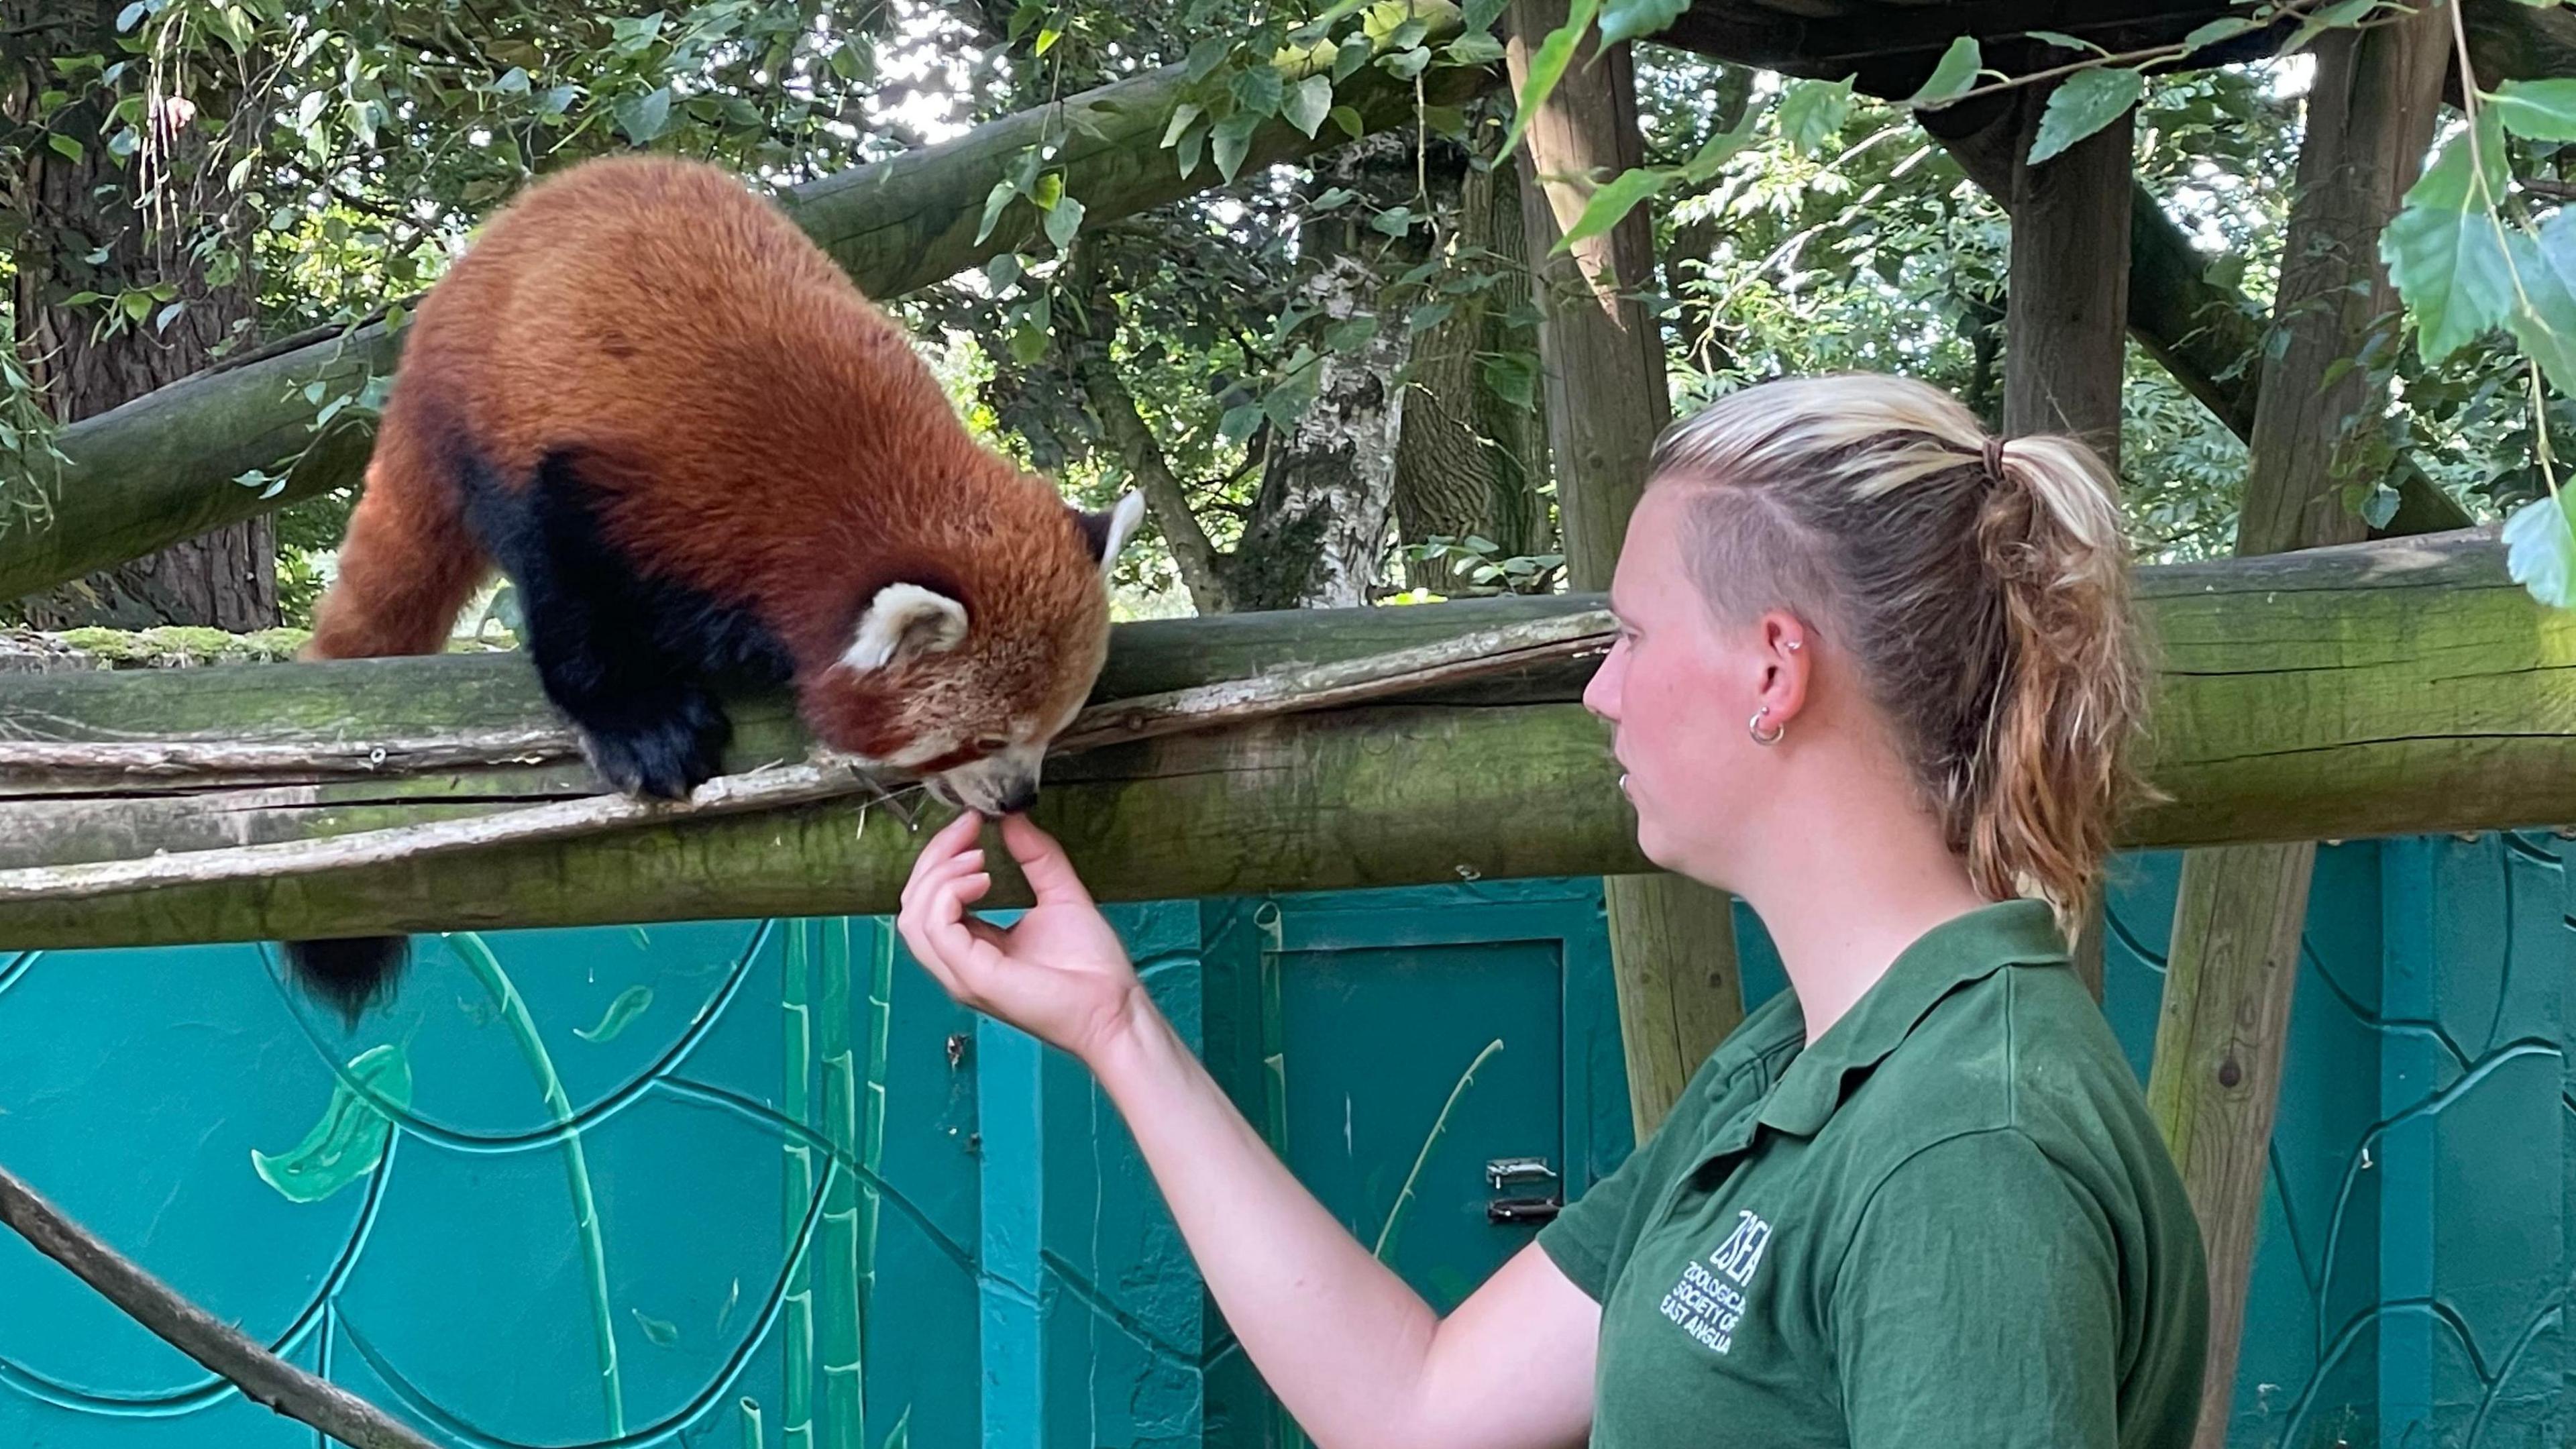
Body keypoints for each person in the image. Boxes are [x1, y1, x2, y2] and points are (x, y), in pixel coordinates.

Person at [894, 372, 2211, 1448]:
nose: (1601, 693)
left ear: (1772, 668)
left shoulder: (1966, 1150)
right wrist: (1120, 1029)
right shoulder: (1807, 1064)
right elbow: (1422, 1408)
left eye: (1631, 637)